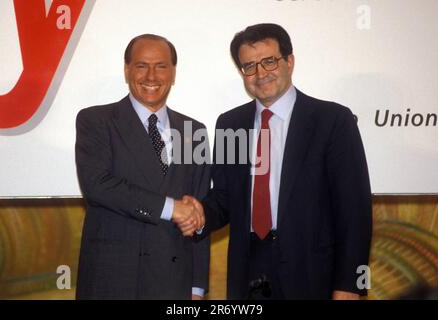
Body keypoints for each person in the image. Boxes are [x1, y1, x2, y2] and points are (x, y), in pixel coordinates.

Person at [189, 23, 372, 299]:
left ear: (289, 61)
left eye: (269, 61)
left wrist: (350, 285)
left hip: (312, 272)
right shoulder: (230, 124)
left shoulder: (333, 120)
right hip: (247, 268)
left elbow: (354, 211)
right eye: (249, 66)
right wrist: (199, 214)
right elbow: (226, 198)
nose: (260, 73)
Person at [75, 34, 210, 299]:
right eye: (141, 65)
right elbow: (97, 185)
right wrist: (172, 208)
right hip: (112, 280)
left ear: (173, 72)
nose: (151, 76)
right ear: (127, 70)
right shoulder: (96, 120)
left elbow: (198, 210)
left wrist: (197, 286)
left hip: (174, 282)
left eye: (161, 66)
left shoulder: (195, 132)